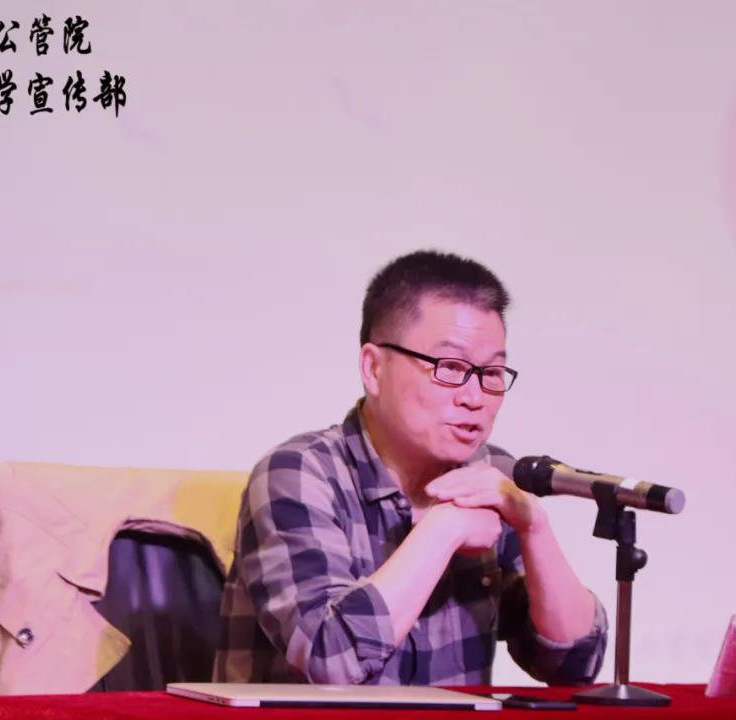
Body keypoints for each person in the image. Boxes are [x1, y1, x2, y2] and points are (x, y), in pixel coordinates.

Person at [214, 250, 607, 685]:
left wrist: (535, 527)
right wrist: (445, 527)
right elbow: (331, 658)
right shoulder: (299, 474)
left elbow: (573, 665)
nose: (474, 397)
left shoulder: (493, 474)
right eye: (450, 367)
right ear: (373, 368)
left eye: (492, 373)